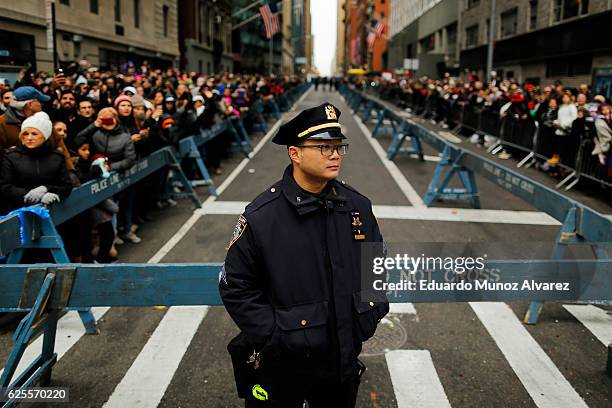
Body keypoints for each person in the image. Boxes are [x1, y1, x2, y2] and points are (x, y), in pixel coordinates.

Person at [220, 102, 389, 407]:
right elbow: (236, 287)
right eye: (323, 147)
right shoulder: (262, 216)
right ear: (294, 153)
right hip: (283, 364)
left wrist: (367, 318)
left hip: (343, 358)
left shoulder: (357, 206)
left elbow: (375, 266)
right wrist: (276, 337)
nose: (335, 154)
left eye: (338, 146)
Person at [0, 111, 72, 215]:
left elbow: (66, 186)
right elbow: (5, 186)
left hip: (52, 212)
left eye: (34, 134)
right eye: (25, 134)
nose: (29, 138)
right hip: (19, 211)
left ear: (44, 136)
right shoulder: (11, 156)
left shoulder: (57, 157)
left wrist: (46, 189)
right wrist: (27, 194)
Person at [0, 86, 49, 156]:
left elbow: (58, 144)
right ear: (30, 104)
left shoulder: (43, 120)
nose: (41, 105)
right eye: (39, 101)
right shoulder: (1, 123)